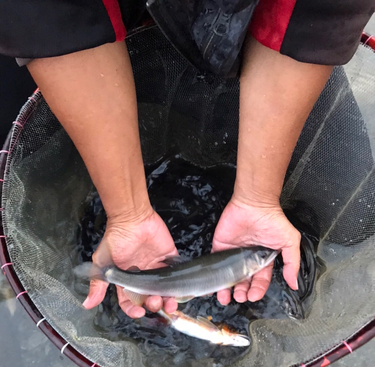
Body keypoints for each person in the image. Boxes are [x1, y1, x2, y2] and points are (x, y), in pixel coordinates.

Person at [0, 1, 373, 319]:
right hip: (94, 30)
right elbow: (47, 16)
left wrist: (258, 196)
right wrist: (125, 211)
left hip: (250, 36)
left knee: (354, 222)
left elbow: (317, 13)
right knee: (22, 149)